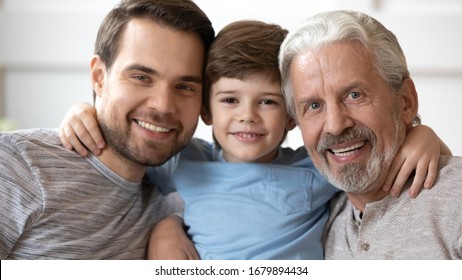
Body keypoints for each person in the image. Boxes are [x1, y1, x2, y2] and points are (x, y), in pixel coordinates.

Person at [59, 18, 451, 260]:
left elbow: (367, 164)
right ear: (206, 111)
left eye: (267, 101)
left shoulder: (315, 171)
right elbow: (127, 145)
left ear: (293, 117)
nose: (247, 115)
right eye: (230, 100)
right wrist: (85, 110)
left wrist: (421, 134)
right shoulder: (185, 162)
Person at [0, 0, 215, 260]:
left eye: (184, 86)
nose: (163, 106)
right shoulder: (16, 165)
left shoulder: (187, 193)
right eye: (141, 77)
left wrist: (171, 226)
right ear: (99, 77)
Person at [279, 10, 461, 259]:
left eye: (354, 95)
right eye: (313, 106)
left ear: (405, 102)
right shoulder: (312, 219)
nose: (335, 125)